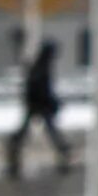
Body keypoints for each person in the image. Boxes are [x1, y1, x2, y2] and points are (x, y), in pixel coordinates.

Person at [6, 39, 71, 178]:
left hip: (37, 105)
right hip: (38, 105)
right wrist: (52, 102)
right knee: (51, 134)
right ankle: (14, 160)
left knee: (42, 134)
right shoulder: (42, 66)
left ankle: (14, 159)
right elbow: (41, 89)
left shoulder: (41, 65)